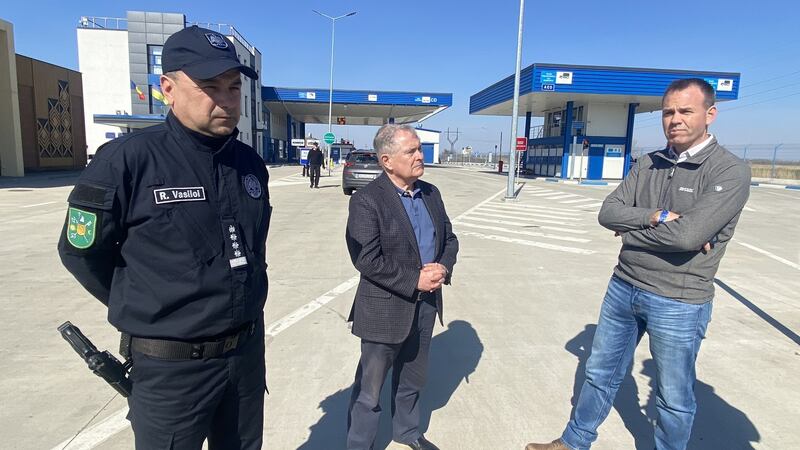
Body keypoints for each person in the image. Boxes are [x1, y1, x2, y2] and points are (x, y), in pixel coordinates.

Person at [58, 25, 271, 450]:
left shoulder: (249, 164)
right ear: (167, 89)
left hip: (244, 359)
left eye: (233, 88)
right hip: (172, 371)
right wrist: (152, 304)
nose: (227, 100)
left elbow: (252, 249)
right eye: (210, 87)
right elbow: (80, 252)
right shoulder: (126, 161)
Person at [526, 78, 751, 450]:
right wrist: (657, 217)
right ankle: (573, 442)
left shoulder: (729, 171)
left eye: (685, 111)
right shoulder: (649, 162)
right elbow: (608, 212)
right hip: (623, 286)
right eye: (668, 112)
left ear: (710, 114)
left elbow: (686, 238)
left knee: (673, 397)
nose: (674, 119)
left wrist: (631, 231)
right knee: (599, 372)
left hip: (678, 299)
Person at [345, 124, 459, 450]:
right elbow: (366, 258)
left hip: (425, 305)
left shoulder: (431, 193)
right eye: (411, 151)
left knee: (413, 378)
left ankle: (407, 432)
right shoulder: (368, 201)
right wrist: (415, 279)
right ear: (387, 160)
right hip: (384, 308)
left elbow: (449, 238)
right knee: (370, 389)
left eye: (420, 148)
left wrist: (443, 266)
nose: (420, 155)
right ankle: (359, 444)